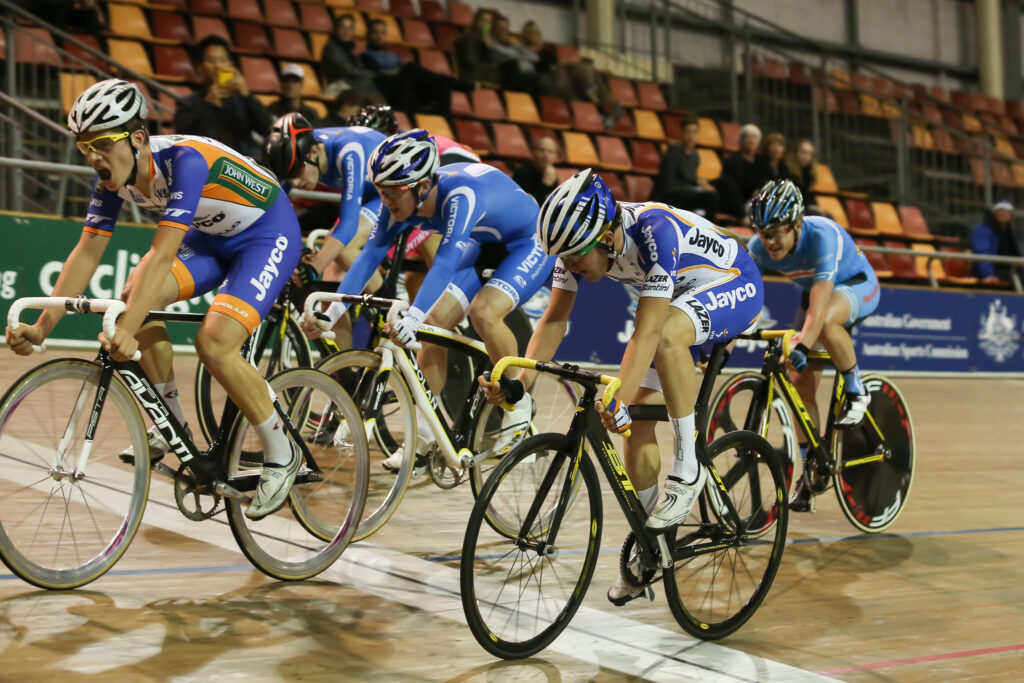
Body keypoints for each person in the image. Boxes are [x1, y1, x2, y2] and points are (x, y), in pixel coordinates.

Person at [7, 79, 303, 519]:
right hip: (211, 237)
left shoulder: (185, 162)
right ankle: (172, 426)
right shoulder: (110, 179)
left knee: (214, 342)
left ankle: (283, 451)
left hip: (266, 233)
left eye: (102, 144)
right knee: (132, 298)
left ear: (138, 138)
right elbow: (86, 252)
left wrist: (124, 332)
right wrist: (43, 328)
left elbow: (163, 254)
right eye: (84, 145)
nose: (93, 157)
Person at [479, 169, 764, 605]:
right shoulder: (577, 246)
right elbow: (554, 321)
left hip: (732, 282)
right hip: (678, 301)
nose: (568, 266)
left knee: (666, 338)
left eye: (574, 257)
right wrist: (520, 385)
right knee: (631, 423)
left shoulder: (655, 232)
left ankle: (689, 468)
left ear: (606, 241)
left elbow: (647, 334)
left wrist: (615, 395)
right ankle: (655, 543)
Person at [302, 130, 555, 468]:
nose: (386, 200)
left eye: (393, 192)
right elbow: (367, 258)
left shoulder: (459, 195)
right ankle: (425, 436)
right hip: (483, 241)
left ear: (422, 186)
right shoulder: (403, 202)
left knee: (484, 312)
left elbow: (447, 262)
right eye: (380, 191)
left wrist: (412, 316)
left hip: (527, 242)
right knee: (432, 327)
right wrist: (331, 313)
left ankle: (519, 407)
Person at [746, 179, 879, 510]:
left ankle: (857, 388)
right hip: (818, 295)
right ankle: (812, 469)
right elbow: (741, 297)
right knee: (798, 386)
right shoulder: (758, 247)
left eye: (776, 232)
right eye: (763, 232)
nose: (769, 241)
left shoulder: (823, 236)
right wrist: (723, 346)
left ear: (796, 224)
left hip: (856, 285)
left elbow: (819, 305)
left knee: (829, 321)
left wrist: (803, 344)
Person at [263, 112, 386, 347]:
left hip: (389, 196)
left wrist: (313, 265)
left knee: (342, 245)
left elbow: (348, 225)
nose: (297, 183)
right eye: (289, 176)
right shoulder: (299, 154)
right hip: (368, 197)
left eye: (297, 173)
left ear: (314, 152)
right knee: (330, 288)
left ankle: (387, 303)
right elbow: (274, 210)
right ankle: (343, 369)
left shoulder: (349, 151)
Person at [172, 35, 273, 159]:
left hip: (244, 166)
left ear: (231, 65)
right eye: (212, 60)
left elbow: (268, 129)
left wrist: (247, 96)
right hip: (209, 165)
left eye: (223, 60)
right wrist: (209, 103)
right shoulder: (187, 104)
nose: (218, 66)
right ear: (200, 67)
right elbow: (183, 139)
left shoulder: (242, 100)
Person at [360, 19, 472, 114]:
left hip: (404, 83)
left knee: (442, 87)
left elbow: (393, 67)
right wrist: (398, 69)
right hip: (389, 87)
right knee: (410, 69)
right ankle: (455, 83)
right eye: (375, 32)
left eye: (382, 33)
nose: (379, 36)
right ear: (368, 34)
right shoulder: (365, 55)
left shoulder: (391, 55)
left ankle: (444, 123)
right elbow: (379, 71)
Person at [653, 114, 720, 218]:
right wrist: (697, 189)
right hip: (670, 196)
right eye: (688, 131)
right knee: (710, 197)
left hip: (685, 194)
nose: (691, 136)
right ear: (681, 133)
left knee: (717, 189)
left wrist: (701, 183)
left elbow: (689, 177)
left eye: (694, 132)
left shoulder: (695, 155)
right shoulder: (674, 151)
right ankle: (710, 229)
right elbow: (667, 185)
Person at [320, 13, 382, 100]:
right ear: (336, 29)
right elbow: (348, 70)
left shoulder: (350, 48)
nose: (346, 32)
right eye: (343, 27)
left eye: (350, 28)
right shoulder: (332, 48)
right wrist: (374, 74)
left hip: (351, 83)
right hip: (338, 85)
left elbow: (360, 68)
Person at [720, 123, 769, 218]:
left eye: (754, 137)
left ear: (759, 141)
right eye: (747, 137)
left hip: (760, 200)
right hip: (741, 205)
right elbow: (733, 190)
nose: (751, 140)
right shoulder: (732, 161)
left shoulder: (763, 161)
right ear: (741, 141)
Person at [971, 200, 1023, 285]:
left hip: (1010, 271)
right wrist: (988, 274)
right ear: (994, 212)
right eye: (1001, 210)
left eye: (1006, 211)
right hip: (990, 272)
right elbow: (982, 254)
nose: (1004, 213)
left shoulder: (1010, 232)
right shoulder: (984, 229)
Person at [454, 9, 501, 84]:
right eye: (483, 21)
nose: (486, 24)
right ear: (476, 21)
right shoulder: (469, 38)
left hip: (485, 73)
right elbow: (471, 62)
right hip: (472, 74)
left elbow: (494, 60)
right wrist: (492, 67)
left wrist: (490, 47)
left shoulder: (489, 40)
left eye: (489, 22)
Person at [512, 136, 559, 205]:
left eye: (550, 152)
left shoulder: (551, 173)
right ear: (533, 152)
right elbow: (528, 205)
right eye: (542, 150)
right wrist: (545, 185)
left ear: (555, 156)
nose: (546, 155)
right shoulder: (522, 173)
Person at [785, 138, 818, 209]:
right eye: (803, 152)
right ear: (795, 152)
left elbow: (808, 195)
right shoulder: (787, 171)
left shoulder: (808, 172)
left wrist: (814, 205)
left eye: (810, 154)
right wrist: (809, 206)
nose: (806, 157)